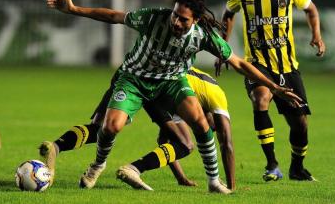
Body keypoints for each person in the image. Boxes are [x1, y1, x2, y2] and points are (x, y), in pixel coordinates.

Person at [46, 0, 301, 194]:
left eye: (183, 19)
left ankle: (213, 182)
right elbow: (114, 16)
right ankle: (97, 165)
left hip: (170, 82)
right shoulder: (154, 17)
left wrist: (274, 87)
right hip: (134, 78)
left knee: (201, 124)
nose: (176, 21)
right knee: (110, 127)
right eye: (175, 15)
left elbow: (240, 63)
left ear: (196, 20)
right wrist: (74, 9)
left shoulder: (203, 36)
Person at [217, 0, 325, 182]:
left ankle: (297, 167)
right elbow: (227, 15)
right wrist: (222, 48)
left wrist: (316, 35)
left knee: (300, 124)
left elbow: (311, 10)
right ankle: (272, 164)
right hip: (257, 63)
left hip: (287, 65)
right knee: (261, 98)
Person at [39, 67, 235, 190]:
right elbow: (227, 144)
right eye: (213, 126)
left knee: (102, 129)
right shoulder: (210, 97)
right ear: (213, 114)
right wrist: (232, 187)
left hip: (126, 72)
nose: (211, 129)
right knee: (185, 145)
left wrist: (181, 178)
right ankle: (132, 169)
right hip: (157, 85)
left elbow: (163, 141)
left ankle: (56, 147)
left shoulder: (195, 96)